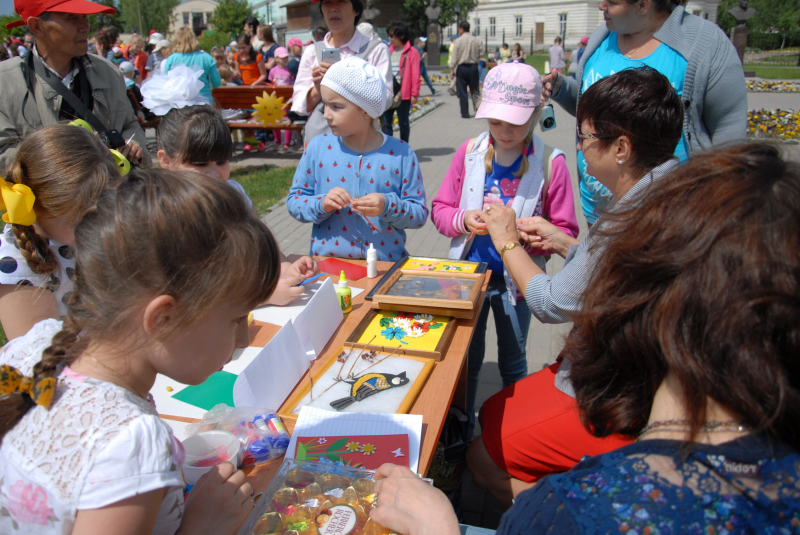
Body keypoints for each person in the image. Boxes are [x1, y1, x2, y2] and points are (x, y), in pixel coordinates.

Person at [369, 140, 800, 535]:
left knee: (489, 438)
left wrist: (440, 529)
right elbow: (446, 211)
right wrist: (566, 246)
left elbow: (552, 302)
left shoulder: (572, 511)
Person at [0, 169, 281, 534]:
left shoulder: (34, 345)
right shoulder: (132, 445)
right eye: (236, 319)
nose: (243, 339)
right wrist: (199, 526)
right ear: (163, 318)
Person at [463, 67, 683, 507]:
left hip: (611, 395)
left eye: (584, 137)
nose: (578, 147)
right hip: (634, 382)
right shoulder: (670, 190)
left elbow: (547, 302)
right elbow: (611, 269)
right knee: (491, 409)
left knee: (480, 454)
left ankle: (567, 512)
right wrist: (567, 244)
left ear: (621, 148)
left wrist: (506, 239)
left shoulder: (626, 221)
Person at [431, 62, 578, 434]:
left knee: (514, 361)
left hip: (520, 285)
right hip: (471, 279)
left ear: (535, 114)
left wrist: (529, 234)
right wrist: (465, 219)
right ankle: (463, 432)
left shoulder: (550, 163)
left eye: (515, 122)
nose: (504, 131)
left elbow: (565, 231)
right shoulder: (469, 152)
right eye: (496, 122)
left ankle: (511, 433)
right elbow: (441, 210)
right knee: (470, 359)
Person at [543, 0, 746, 226]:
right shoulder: (602, 37)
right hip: (601, 215)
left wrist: (723, 207)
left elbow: (729, 130)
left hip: (668, 218)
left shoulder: (703, 43)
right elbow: (594, 111)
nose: (601, 5)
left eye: (611, 1)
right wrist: (561, 89)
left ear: (642, 5)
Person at [147, 87, 318, 306]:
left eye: (221, 162)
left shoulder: (234, 192)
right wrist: (262, 295)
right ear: (165, 160)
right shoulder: (164, 213)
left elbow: (262, 244)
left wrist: (284, 268)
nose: (214, 173)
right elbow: (188, 293)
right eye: (199, 164)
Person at [287, 57, 428, 261]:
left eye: (336, 107)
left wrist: (387, 205)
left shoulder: (401, 154)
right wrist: (322, 203)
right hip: (330, 266)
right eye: (324, 105)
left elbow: (419, 214)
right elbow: (295, 201)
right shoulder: (318, 148)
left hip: (384, 267)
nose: (326, 115)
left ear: (365, 109)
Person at [0, 125, 120, 341]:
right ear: (35, 209)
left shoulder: (79, 234)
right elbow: (37, 359)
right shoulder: (19, 265)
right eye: (78, 221)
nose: (99, 227)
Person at [0, 0, 148, 171]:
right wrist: (61, 156)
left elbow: (131, 124)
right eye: (72, 18)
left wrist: (134, 145)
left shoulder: (107, 71)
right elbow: (3, 153)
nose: (85, 26)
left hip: (109, 193)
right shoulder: (5, 82)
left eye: (84, 17)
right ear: (37, 26)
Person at [291, 0, 392, 143]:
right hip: (320, 141)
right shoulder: (312, 52)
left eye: (341, 1)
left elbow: (384, 100)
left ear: (356, 9)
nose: (333, 9)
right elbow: (300, 106)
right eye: (327, 3)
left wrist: (344, 80)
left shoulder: (375, 50)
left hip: (362, 143)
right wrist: (319, 87)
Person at [381, 22, 420, 144]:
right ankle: (388, 148)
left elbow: (415, 74)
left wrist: (414, 94)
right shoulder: (388, 51)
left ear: (400, 36)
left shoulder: (412, 52)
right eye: (389, 36)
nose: (390, 39)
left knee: (403, 123)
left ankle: (404, 147)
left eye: (392, 36)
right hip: (389, 92)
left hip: (404, 94)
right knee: (386, 124)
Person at [162, 27, 221, 103]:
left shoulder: (171, 59)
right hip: (204, 101)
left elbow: (166, 83)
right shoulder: (207, 57)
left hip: (180, 103)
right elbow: (217, 83)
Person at [451, 21, 483, 119]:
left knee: (462, 91)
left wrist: (452, 70)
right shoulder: (477, 40)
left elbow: (454, 58)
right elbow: (481, 54)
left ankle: (465, 113)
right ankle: (478, 111)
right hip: (473, 67)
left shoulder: (458, 41)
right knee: (475, 91)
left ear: (461, 29)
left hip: (462, 68)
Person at [269, 47, 295, 153]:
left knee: (286, 121)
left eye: (286, 57)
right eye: (282, 58)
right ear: (276, 58)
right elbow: (271, 83)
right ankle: (277, 141)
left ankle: (287, 143)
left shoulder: (290, 69)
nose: (285, 59)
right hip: (275, 99)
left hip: (286, 100)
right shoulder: (273, 70)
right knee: (275, 120)